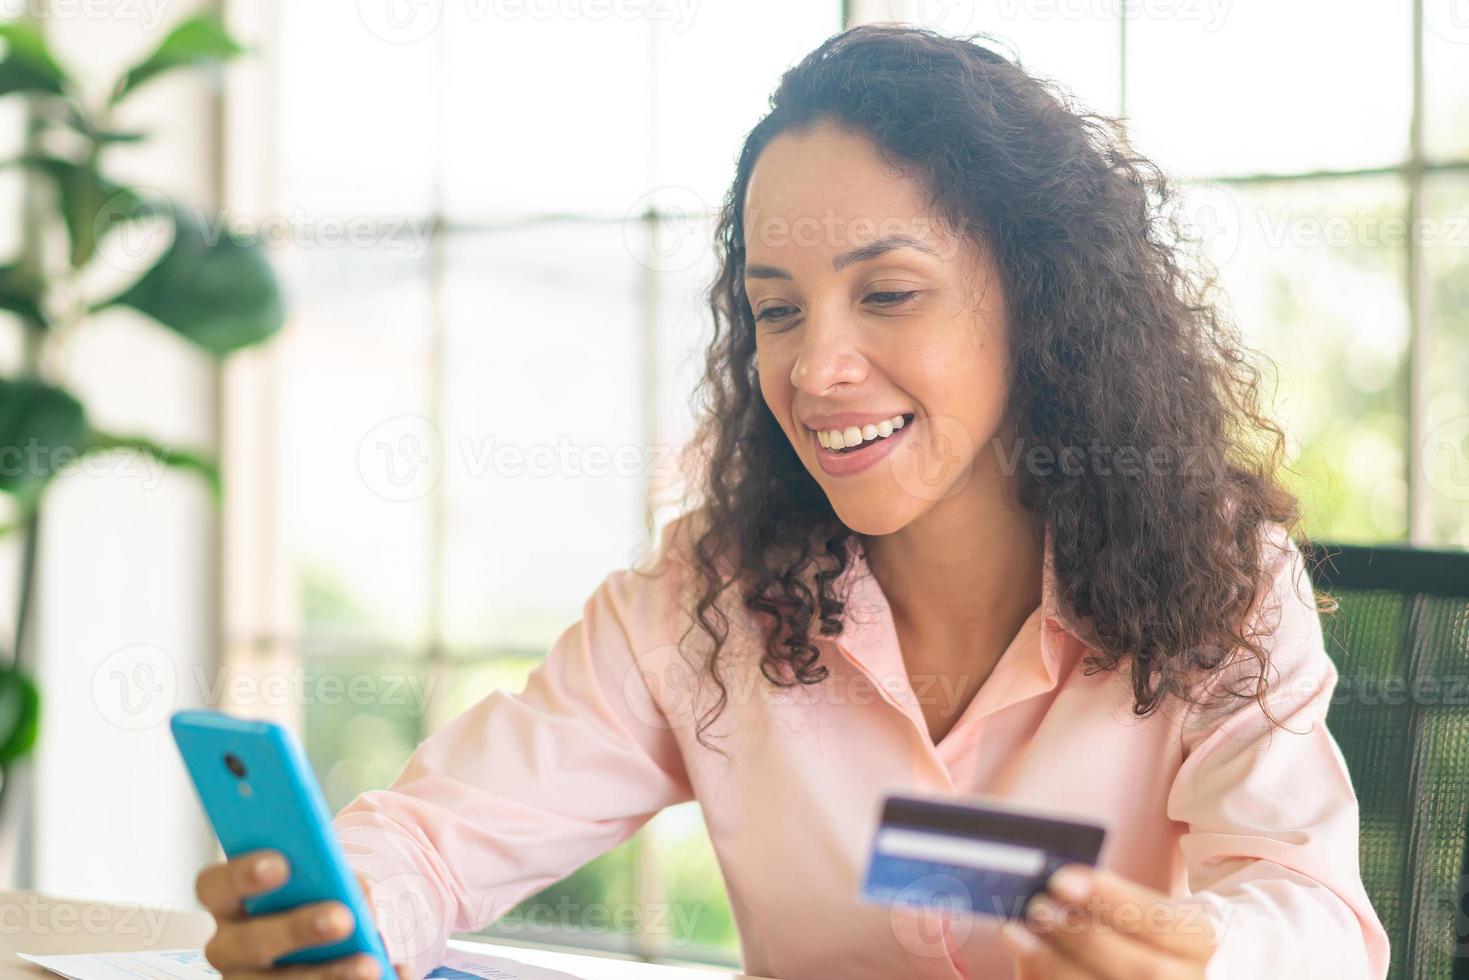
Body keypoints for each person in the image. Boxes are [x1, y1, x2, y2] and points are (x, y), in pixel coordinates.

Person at [191, 24, 1389, 980]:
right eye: (775, 309)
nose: (812, 368)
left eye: (887, 293)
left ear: (1042, 301)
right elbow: (433, 837)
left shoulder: (1219, 584)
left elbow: (1312, 912)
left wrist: (1208, 957)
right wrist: (336, 917)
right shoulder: (702, 606)